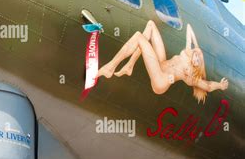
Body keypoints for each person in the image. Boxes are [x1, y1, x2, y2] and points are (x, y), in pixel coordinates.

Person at [97, 20, 228, 103]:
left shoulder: (191, 75)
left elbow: (208, 86)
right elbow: (188, 28)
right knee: (151, 25)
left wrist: (220, 86)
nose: (197, 59)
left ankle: (110, 68)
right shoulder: (186, 53)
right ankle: (130, 65)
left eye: (199, 60)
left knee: (138, 37)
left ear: (199, 66)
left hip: (161, 81)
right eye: (196, 56)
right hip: (160, 64)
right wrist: (197, 46)